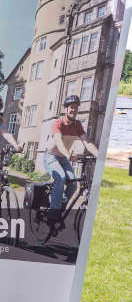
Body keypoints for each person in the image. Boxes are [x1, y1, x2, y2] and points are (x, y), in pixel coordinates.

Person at [43, 95, 99, 224]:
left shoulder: (78, 125)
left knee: (73, 184)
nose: (74, 110)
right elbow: (58, 141)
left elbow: (87, 142)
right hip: (51, 156)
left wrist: (100, 157)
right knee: (61, 177)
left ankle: (59, 207)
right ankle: (53, 213)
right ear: (66, 109)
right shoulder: (58, 123)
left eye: (76, 108)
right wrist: (68, 155)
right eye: (71, 107)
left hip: (63, 158)